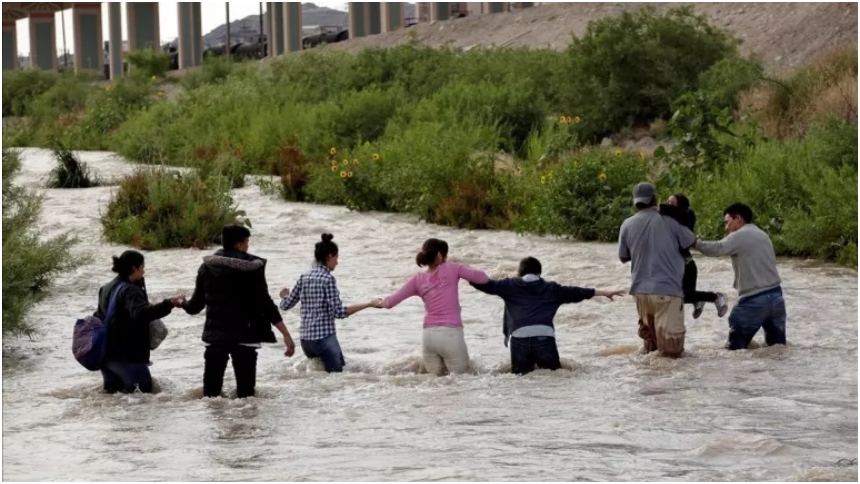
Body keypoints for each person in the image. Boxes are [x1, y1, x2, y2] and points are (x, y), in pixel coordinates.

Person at [183, 225, 296, 398]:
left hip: (215, 339)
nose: (248, 246)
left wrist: (180, 303)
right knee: (247, 397)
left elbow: (195, 306)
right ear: (237, 245)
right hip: (246, 338)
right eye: (246, 242)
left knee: (211, 397)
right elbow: (266, 305)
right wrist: (286, 334)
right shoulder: (253, 269)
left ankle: (212, 426)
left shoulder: (206, 268)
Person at [470, 256, 626, 375]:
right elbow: (577, 292)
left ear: (519, 272)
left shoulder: (510, 285)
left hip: (519, 336)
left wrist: (463, 273)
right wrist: (605, 292)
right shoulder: (552, 288)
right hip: (544, 335)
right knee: (554, 375)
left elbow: (486, 284)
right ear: (539, 273)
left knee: (520, 379)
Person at [376, 238, 490, 376]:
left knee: (433, 384)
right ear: (441, 256)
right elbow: (483, 278)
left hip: (428, 337)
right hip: (451, 334)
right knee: (462, 382)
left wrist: (373, 303)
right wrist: (463, 265)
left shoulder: (417, 279)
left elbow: (389, 302)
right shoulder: (453, 268)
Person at [278, 234, 380, 373]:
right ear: (330, 257)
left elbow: (285, 305)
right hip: (324, 340)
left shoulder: (304, 277)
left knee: (321, 381)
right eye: (337, 258)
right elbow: (339, 312)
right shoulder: (328, 279)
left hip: (306, 342)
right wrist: (369, 304)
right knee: (338, 379)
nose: (337, 262)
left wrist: (284, 296)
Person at [618, 182, 696, 357]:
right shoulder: (670, 221)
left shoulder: (627, 224)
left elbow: (623, 257)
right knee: (671, 355)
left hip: (640, 293)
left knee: (650, 351)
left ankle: (651, 385)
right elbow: (690, 241)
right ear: (655, 199)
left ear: (635, 202)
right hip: (667, 292)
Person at [694, 203, 786, 350]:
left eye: (727, 222)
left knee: (734, 351)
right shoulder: (763, 235)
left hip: (753, 300)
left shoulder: (739, 235)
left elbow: (717, 249)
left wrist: (693, 243)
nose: (726, 227)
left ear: (738, 219)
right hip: (776, 298)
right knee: (777, 348)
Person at [96, 250, 185, 394]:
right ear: (134, 269)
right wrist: (170, 303)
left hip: (107, 356)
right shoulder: (131, 291)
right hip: (128, 357)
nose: (144, 272)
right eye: (142, 268)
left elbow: (99, 316)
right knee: (143, 397)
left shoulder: (105, 288)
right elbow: (143, 314)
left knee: (114, 401)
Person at [660, 194, 729, 319]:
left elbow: (676, 214)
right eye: (667, 202)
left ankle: (716, 297)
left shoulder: (683, 219)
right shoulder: (670, 220)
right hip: (680, 265)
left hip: (687, 266)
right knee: (675, 295)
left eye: (672, 203)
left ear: (680, 207)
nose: (667, 205)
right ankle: (698, 300)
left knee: (682, 296)